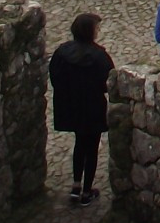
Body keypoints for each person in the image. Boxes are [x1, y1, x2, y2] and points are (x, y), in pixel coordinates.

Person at [48, 13, 113, 206]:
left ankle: (76, 186)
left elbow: (55, 77)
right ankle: (86, 191)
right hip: (92, 107)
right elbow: (108, 82)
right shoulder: (99, 55)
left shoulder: (62, 53)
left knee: (79, 144)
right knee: (91, 148)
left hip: (71, 107)